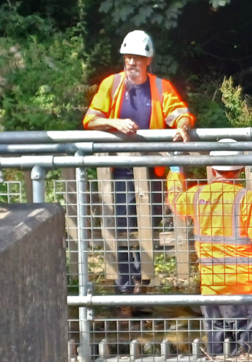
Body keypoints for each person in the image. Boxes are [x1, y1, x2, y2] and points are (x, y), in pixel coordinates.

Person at [83, 30, 195, 307]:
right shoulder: (111, 85)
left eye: (137, 57)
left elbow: (178, 112)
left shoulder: (160, 87)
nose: (131, 62)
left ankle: (141, 288)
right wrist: (114, 123)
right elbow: (91, 118)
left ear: (148, 60)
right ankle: (125, 295)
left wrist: (182, 125)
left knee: (148, 228)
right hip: (120, 171)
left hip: (153, 173)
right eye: (128, 57)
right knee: (123, 228)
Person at [166, 147, 252, 355]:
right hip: (247, 292)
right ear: (241, 168)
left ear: (212, 169)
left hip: (213, 293)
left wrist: (175, 169)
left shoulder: (197, 196)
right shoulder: (248, 200)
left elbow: (175, 200)